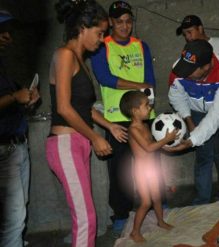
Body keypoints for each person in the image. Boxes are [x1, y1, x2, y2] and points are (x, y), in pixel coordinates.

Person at [46, 1, 127, 246]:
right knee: (86, 218)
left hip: (78, 142)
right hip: (65, 143)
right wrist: (95, 137)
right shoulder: (64, 55)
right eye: (100, 33)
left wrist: (108, 126)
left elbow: (84, 109)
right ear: (83, 28)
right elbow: (63, 108)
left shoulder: (80, 61)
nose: (102, 40)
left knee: (85, 216)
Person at [91, 1, 158, 233]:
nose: (125, 26)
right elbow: (105, 78)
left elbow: (150, 78)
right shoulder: (102, 46)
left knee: (151, 162)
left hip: (143, 115)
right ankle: (121, 213)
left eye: (128, 21)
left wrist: (148, 100)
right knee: (121, 168)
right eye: (119, 22)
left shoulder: (141, 45)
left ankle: (157, 203)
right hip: (117, 117)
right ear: (110, 22)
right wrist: (140, 85)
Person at [175, 15, 219, 201]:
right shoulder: (185, 61)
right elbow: (175, 92)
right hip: (200, 111)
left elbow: (216, 115)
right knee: (204, 156)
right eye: (185, 34)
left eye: (190, 32)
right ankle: (202, 199)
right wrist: (189, 120)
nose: (188, 37)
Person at [0, 10, 40, 247]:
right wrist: (16, 96)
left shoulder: (3, 65)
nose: (8, 37)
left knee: (17, 210)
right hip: (4, 150)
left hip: (16, 144)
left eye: (8, 32)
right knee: (13, 217)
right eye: (1, 32)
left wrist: (28, 97)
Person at [120, 91, 177, 242]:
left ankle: (160, 221)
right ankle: (135, 232)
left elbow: (154, 144)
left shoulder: (145, 125)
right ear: (134, 111)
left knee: (157, 197)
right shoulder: (133, 129)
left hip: (152, 168)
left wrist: (166, 143)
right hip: (141, 171)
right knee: (146, 202)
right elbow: (148, 147)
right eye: (146, 105)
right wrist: (166, 139)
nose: (150, 107)